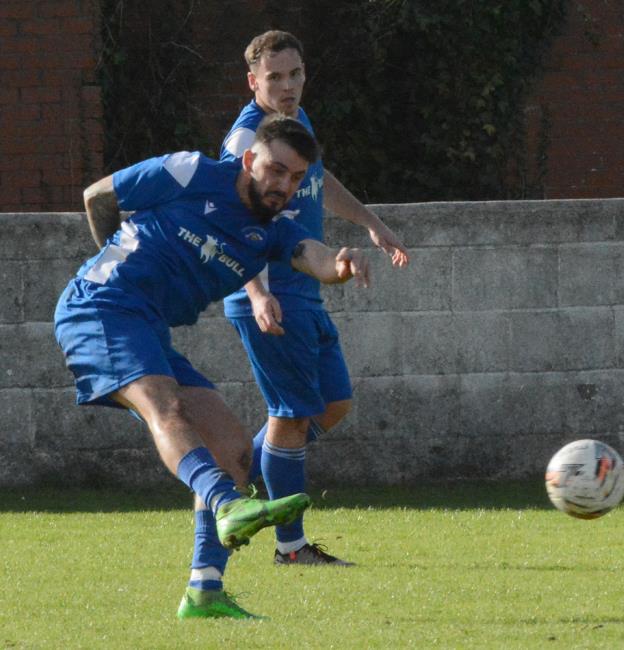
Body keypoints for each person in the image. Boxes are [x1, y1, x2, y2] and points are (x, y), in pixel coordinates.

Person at [54, 114, 370, 620]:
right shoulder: (191, 172)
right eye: (276, 170)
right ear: (249, 159)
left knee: (230, 447)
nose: (283, 186)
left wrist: (339, 265)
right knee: (168, 408)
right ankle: (226, 503)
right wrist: (113, 255)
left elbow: (311, 254)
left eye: (295, 179)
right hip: (100, 307)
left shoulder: (269, 234)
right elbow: (98, 195)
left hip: (147, 326)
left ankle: (205, 591)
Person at [219, 30, 409, 566]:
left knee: (333, 404)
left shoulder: (296, 125)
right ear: (253, 81)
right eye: (274, 77)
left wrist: (371, 222)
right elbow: (231, 220)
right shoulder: (245, 141)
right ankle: (292, 548)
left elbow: (318, 181)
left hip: (307, 287)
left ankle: (227, 488)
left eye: (295, 74)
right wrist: (255, 290)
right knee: (292, 415)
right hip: (271, 292)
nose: (287, 86)